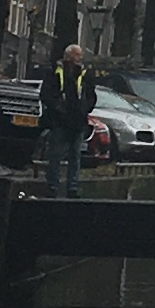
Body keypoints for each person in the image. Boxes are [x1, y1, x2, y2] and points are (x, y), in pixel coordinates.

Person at [38, 34, 97, 198]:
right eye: (77, 55)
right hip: (60, 120)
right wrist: (58, 108)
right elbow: (46, 94)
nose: (80, 59)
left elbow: (91, 95)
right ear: (68, 56)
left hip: (78, 121)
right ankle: (53, 186)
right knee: (56, 154)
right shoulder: (54, 72)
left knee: (75, 156)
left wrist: (85, 109)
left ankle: (72, 188)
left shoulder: (85, 74)